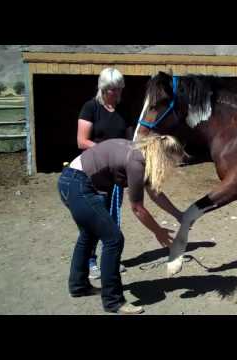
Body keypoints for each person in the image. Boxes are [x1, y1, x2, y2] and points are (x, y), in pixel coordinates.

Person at [58, 135, 185, 314]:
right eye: (171, 163)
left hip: (74, 182)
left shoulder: (141, 155)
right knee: (113, 239)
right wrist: (158, 232)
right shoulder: (136, 161)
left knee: (89, 234)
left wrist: (179, 215)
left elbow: (155, 193)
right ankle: (113, 301)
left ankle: (79, 286)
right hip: (77, 184)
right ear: (162, 157)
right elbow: (137, 208)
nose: (170, 168)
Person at [77, 67, 133, 280]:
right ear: (104, 88)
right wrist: (109, 152)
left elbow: (130, 140)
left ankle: (110, 259)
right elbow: (82, 141)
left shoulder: (123, 110)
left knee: (113, 218)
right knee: (95, 219)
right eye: (113, 90)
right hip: (96, 170)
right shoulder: (90, 108)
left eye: (119, 89)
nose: (117, 94)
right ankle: (90, 261)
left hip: (115, 174)